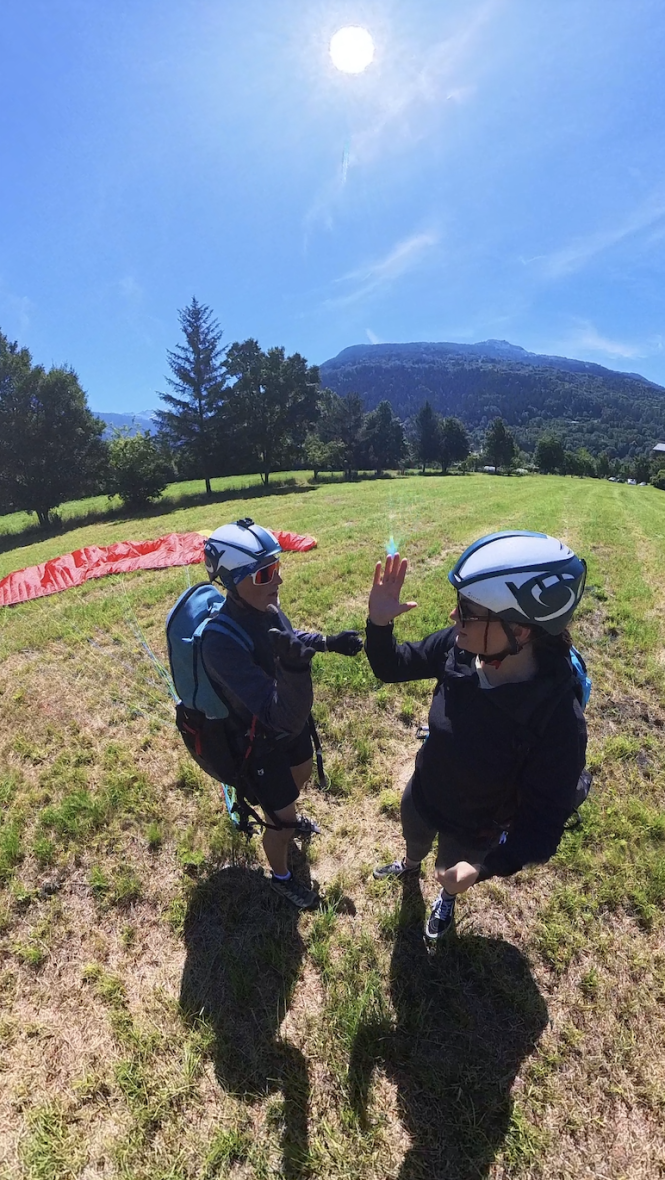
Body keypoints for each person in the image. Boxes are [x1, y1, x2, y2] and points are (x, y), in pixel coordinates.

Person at [366, 530, 588, 943]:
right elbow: (392, 666)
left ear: (520, 631)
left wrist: (481, 869)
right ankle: (410, 863)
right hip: (425, 791)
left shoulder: (558, 722)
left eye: (468, 611)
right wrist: (379, 624)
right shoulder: (461, 648)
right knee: (413, 835)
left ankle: (447, 898)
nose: (454, 619)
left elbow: (541, 829)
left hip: (474, 829)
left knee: (451, 872)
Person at [179, 518, 363, 910]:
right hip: (256, 740)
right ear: (233, 579)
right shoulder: (219, 643)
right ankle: (280, 875)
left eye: (278, 568)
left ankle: (282, 813)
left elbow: (289, 641)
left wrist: (327, 642)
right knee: (281, 820)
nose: (277, 580)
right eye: (265, 573)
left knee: (302, 769)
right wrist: (296, 670)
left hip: (282, 717)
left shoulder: (263, 605)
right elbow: (278, 716)